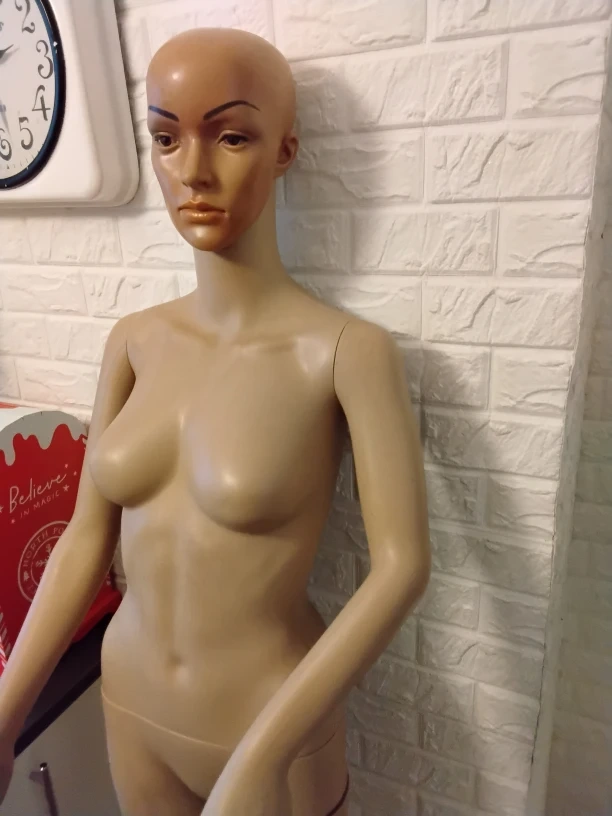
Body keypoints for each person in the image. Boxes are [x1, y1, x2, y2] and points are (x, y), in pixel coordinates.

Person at [0, 27, 430, 816]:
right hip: (131, 703)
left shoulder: (344, 352)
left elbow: (401, 567)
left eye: (231, 136)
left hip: (267, 729)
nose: (192, 170)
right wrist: (5, 712)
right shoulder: (133, 340)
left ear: (285, 150)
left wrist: (264, 755)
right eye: (166, 139)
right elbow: (85, 539)